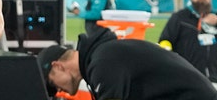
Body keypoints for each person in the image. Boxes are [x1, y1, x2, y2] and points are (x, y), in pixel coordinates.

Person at [37, 28, 217, 99]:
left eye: (54, 84)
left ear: (57, 66)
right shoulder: (102, 56)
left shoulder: (102, 62)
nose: (60, 91)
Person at [159, 0, 217, 82]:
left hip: (213, 78)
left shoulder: (215, 17)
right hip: (186, 78)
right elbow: (165, 40)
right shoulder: (179, 18)